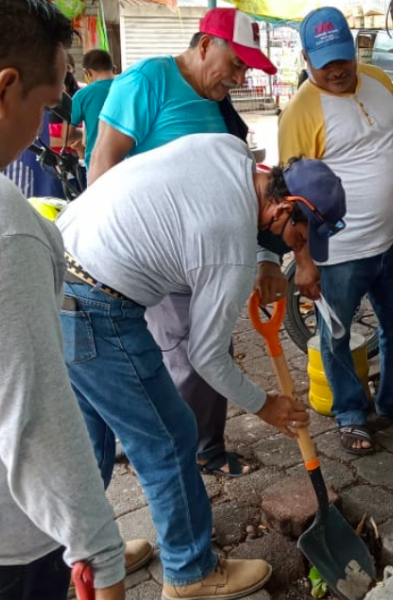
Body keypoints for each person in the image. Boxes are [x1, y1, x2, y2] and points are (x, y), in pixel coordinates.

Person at [57, 133, 345, 599]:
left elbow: (234, 221)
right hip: (99, 307)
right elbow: (206, 356)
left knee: (90, 443)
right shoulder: (227, 243)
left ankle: (82, 552)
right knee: (170, 439)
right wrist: (264, 404)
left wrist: (267, 257)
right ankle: (190, 571)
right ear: (282, 210)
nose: (297, 250)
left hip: (59, 273)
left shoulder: (230, 151)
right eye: (297, 239)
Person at [0, 1, 127, 599]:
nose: (40, 130)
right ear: (4, 89)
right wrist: (102, 553)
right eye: (45, 107)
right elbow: (34, 412)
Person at [90, 8, 285, 478]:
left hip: (203, 252)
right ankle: (190, 454)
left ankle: (196, 445)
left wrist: (262, 255)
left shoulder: (216, 100)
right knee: (189, 355)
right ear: (203, 46)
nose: (238, 78)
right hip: (157, 253)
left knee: (209, 349)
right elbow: (101, 168)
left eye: (246, 69)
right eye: (235, 64)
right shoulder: (147, 80)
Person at [279, 6, 393, 455]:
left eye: (343, 57)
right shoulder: (300, 114)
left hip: (392, 241)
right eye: (325, 61)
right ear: (307, 60)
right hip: (339, 253)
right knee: (337, 334)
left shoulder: (380, 82)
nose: (336, 69)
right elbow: (293, 200)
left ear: (354, 50)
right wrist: (304, 263)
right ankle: (351, 414)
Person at [68, 49, 116, 165]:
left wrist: (88, 132)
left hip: (97, 163)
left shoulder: (83, 95)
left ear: (88, 73)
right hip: (129, 162)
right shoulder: (131, 89)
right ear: (114, 69)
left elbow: (67, 136)